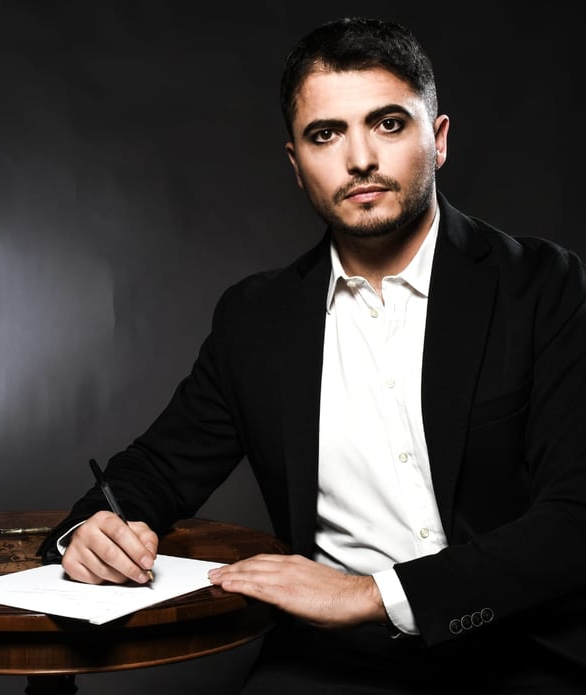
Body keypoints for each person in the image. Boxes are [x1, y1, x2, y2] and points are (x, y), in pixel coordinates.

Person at [38, 16, 586, 694]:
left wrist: (371, 593)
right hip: (335, 662)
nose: (360, 159)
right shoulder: (256, 319)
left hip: (517, 649)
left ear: (438, 139)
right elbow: (156, 469)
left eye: (388, 124)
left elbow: (576, 515)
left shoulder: (545, 287)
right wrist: (89, 530)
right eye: (326, 134)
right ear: (297, 165)